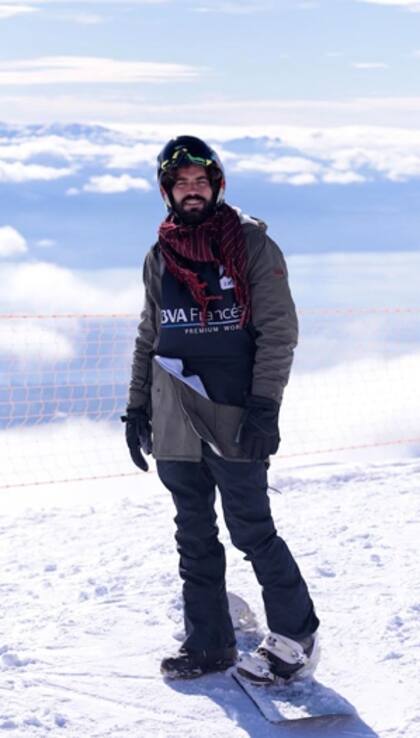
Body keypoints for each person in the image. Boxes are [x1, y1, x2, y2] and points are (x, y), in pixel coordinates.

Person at [123, 135, 320, 683]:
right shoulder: (159, 255)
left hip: (233, 414)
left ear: (217, 186)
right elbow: (150, 334)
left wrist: (264, 407)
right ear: (167, 191)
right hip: (172, 420)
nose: (192, 190)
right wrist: (136, 408)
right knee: (193, 533)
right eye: (181, 182)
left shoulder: (252, 245)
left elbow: (278, 331)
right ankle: (209, 641)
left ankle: (297, 634)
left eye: (200, 181)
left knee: (252, 528)